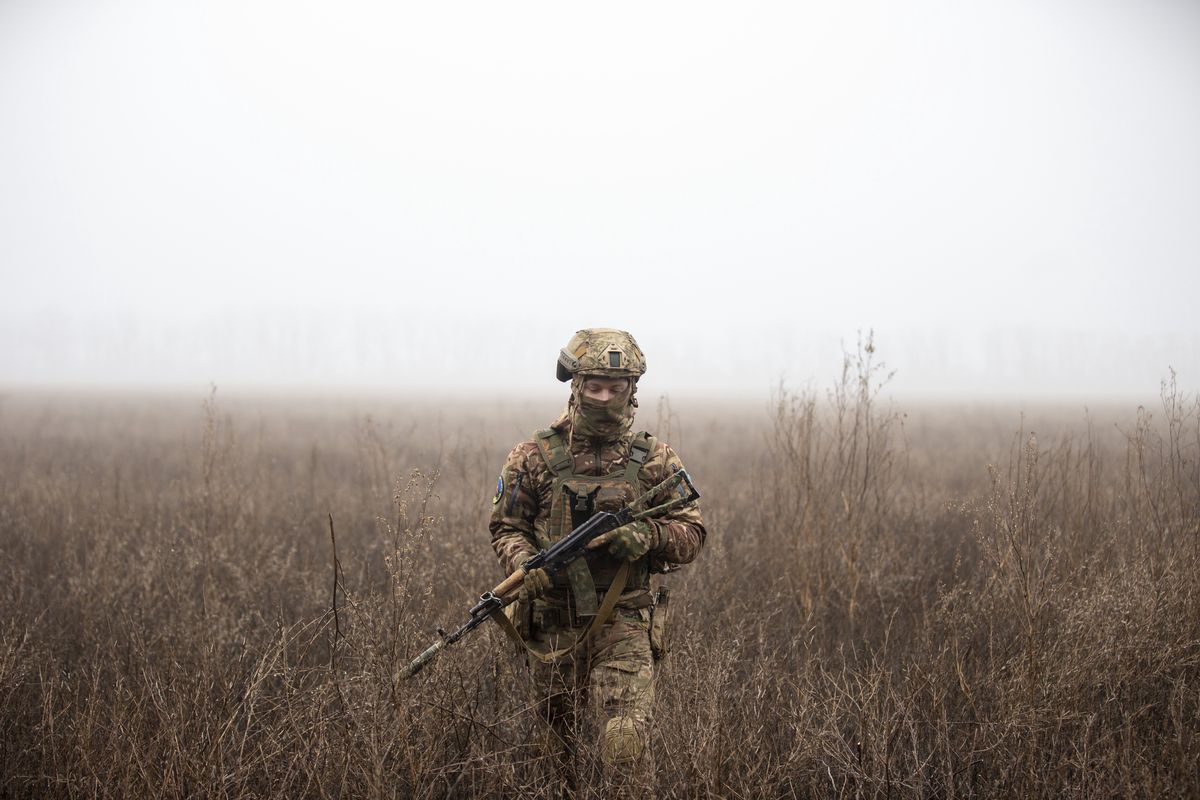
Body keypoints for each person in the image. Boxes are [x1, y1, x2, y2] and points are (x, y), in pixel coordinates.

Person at [488, 328, 707, 789]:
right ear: (576, 386)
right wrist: (524, 566)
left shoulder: (656, 461)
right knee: (553, 758)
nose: (604, 397)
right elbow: (507, 527)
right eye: (594, 387)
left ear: (632, 390)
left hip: (623, 621)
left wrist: (650, 535)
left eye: (616, 388)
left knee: (624, 744)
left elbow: (692, 533)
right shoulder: (533, 456)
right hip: (551, 623)